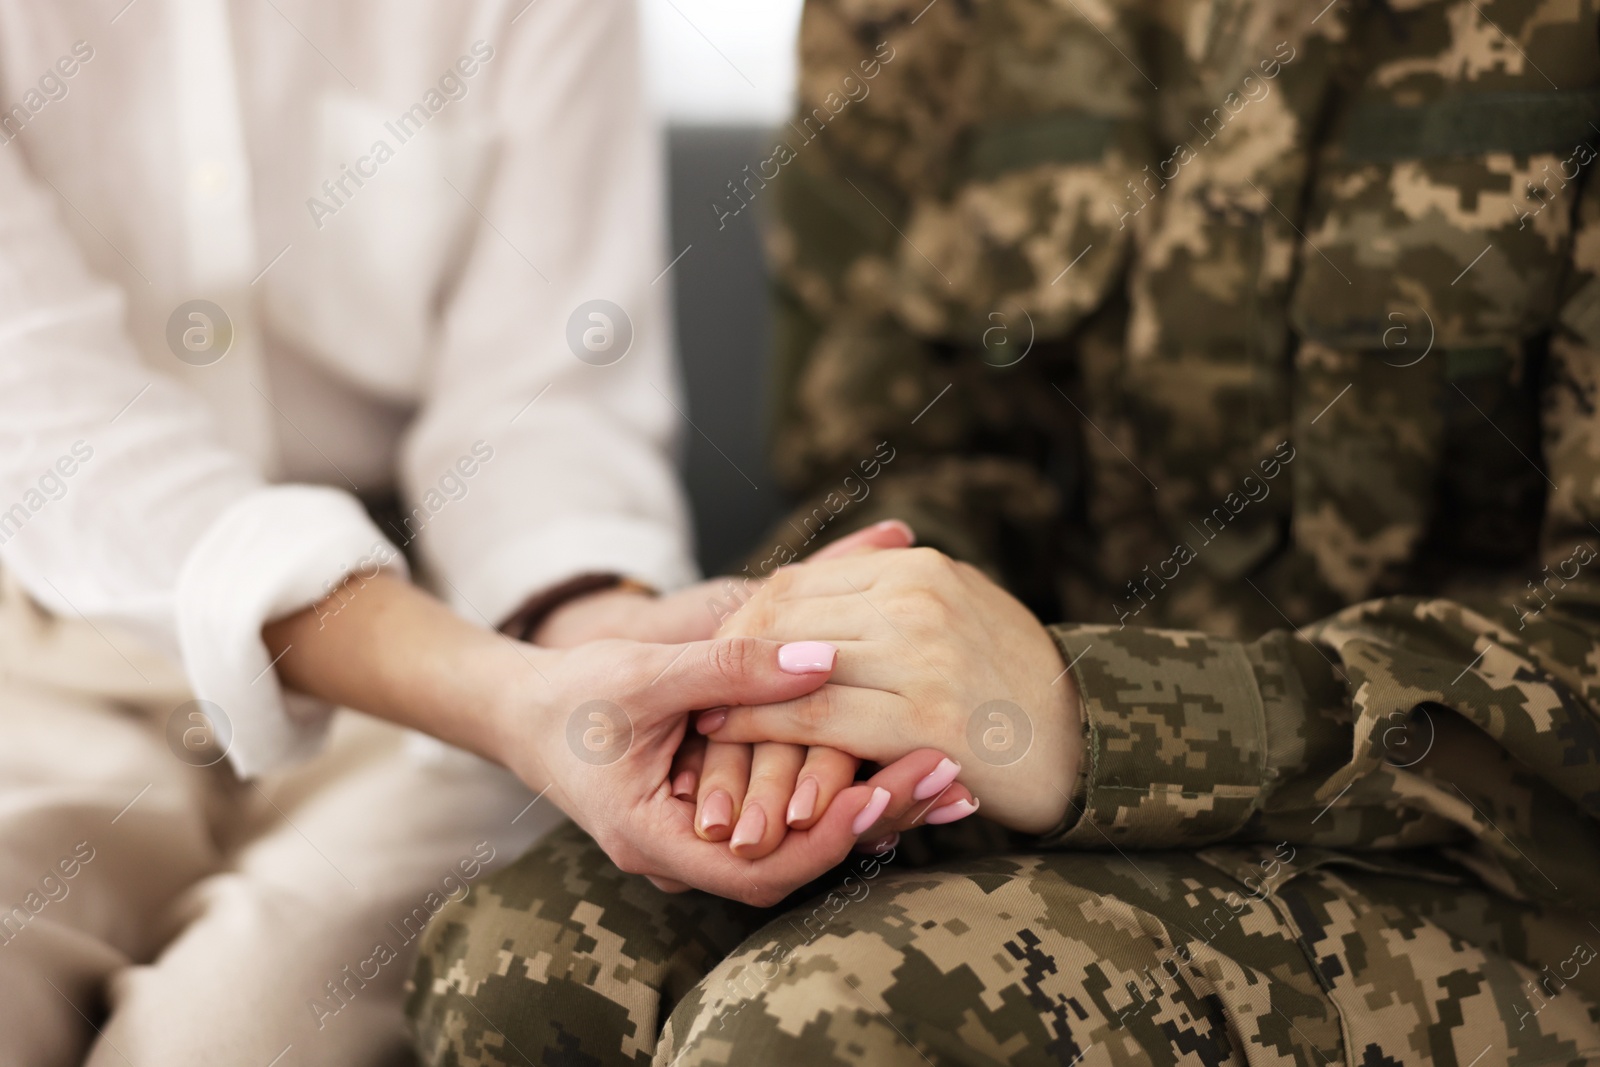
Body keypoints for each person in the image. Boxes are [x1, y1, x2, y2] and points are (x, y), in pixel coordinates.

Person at [406, 0, 1600, 1062]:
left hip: (1510, 858)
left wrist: (1088, 713)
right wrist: (833, 675)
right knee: (523, 967)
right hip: (1024, 785)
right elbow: (909, 446)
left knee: (814, 1029)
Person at [0, 2, 949, 1063]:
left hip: (439, 665)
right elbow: (52, 438)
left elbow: (538, 414)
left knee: (237, 1041)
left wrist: (607, 642)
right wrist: (507, 698)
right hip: (46, 651)